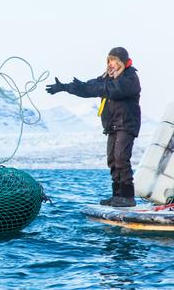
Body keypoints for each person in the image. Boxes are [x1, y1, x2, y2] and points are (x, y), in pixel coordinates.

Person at [46, 47, 141, 207]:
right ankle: (117, 196)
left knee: (121, 159)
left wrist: (89, 87)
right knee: (112, 160)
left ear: (122, 62)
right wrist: (65, 87)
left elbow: (111, 90)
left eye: (114, 61)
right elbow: (90, 87)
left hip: (126, 125)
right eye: (109, 60)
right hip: (112, 126)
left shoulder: (130, 78)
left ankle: (128, 197)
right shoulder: (107, 78)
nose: (111, 64)